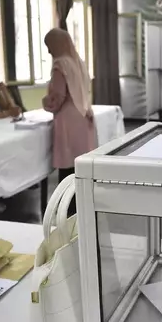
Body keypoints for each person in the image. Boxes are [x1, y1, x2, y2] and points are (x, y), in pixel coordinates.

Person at [42, 28, 97, 216]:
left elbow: (57, 97)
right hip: (83, 116)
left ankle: (68, 212)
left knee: (67, 170)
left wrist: (45, 102)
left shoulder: (60, 64)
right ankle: (83, 207)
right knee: (80, 168)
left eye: (49, 46)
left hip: (68, 120)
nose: (49, 51)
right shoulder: (78, 62)